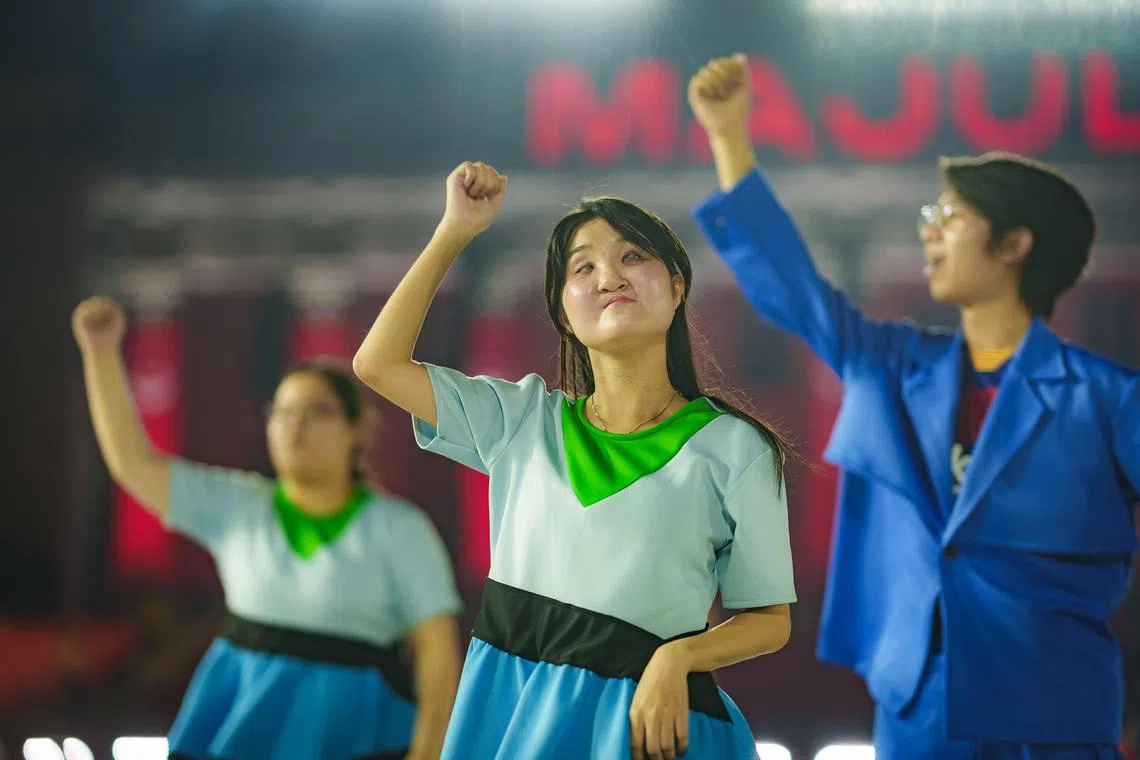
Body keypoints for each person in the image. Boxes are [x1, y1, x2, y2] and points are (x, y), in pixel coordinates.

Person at [687, 53, 1140, 758]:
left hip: (1053, 710)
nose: (928, 229)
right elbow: (796, 291)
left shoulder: (1108, 400)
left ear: (1014, 245)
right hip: (916, 707)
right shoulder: (891, 367)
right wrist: (729, 139)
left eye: (950, 217)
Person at [352, 160, 797, 759]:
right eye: (583, 267)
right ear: (564, 313)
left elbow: (770, 619)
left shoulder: (736, 447)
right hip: (513, 715)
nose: (609, 276)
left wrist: (678, 656)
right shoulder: (521, 420)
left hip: (647, 726)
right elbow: (377, 364)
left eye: (632, 256)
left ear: (677, 287)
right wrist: (454, 232)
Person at [72, 295, 464, 760]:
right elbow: (134, 464)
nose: (295, 426)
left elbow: (437, 652)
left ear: (358, 428)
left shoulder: (400, 529)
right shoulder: (239, 506)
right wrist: (100, 352)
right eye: (282, 412)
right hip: (242, 724)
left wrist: (428, 751)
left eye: (317, 411)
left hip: (354, 730)